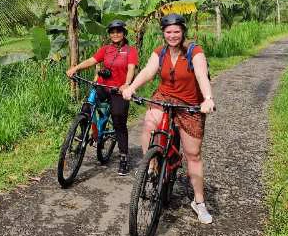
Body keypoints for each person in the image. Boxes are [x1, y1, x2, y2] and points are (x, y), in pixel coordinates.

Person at [121, 13, 216, 224]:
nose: (172, 35)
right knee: (149, 124)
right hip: (164, 97)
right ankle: (151, 166)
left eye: (176, 31)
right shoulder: (160, 53)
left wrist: (208, 99)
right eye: (168, 32)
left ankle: (199, 202)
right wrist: (132, 87)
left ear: (183, 32)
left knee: (193, 154)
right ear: (163, 34)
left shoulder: (194, 52)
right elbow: (147, 71)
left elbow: (201, 75)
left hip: (190, 104)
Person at [66, 20, 138, 175]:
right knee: (86, 108)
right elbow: (92, 60)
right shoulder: (106, 49)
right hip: (102, 86)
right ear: (109, 34)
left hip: (118, 90)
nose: (115, 34)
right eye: (112, 32)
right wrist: (76, 68)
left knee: (118, 119)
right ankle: (84, 135)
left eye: (118, 31)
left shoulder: (130, 51)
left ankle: (123, 157)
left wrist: (126, 84)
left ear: (124, 33)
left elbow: (131, 68)